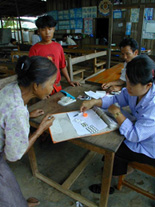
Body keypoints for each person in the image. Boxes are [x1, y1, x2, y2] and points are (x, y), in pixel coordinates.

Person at [80, 55, 155, 194]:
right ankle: (120, 168)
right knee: (114, 136)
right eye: (126, 81)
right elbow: (116, 98)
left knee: (113, 148)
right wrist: (94, 102)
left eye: (132, 84)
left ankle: (109, 182)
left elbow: (134, 135)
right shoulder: (136, 90)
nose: (127, 86)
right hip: (142, 134)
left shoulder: (153, 106)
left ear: (148, 85)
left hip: (151, 147)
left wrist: (117, 114)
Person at [0, 55, 57, 206]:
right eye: (51, 84)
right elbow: (14, 155)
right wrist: (40, 130)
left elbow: (6, 113)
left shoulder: (13, 87)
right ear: (36, 86)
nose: (53, 88)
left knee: (9, 185)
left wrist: (27, 114)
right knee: (6, 197)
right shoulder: (17, 111)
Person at [29, 15, 80, 95]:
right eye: (43, 29)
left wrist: (69, 80)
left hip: (57, 86)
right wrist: (40, 92)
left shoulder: (58, 46)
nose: (47, 33)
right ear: (38, 31)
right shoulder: (34, 49)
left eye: (50, 29)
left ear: (54, 29)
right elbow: (33, 72)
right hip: (42, 89)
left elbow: (62, 66)